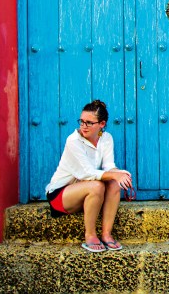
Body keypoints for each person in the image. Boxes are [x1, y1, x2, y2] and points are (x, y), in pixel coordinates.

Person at [44, 99, 133, 252]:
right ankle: (90, 235)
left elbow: (109, 166)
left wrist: (121, 174)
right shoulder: (73, 141)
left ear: (102, 124)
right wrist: (113, 174)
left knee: (113, 183)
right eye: (82, 122)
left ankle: (106, 234)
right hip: (60, 196)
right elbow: (87, 173)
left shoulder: (106, 138)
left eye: (89, 123)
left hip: (85, 192)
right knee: (97, 185)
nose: (83, 126)